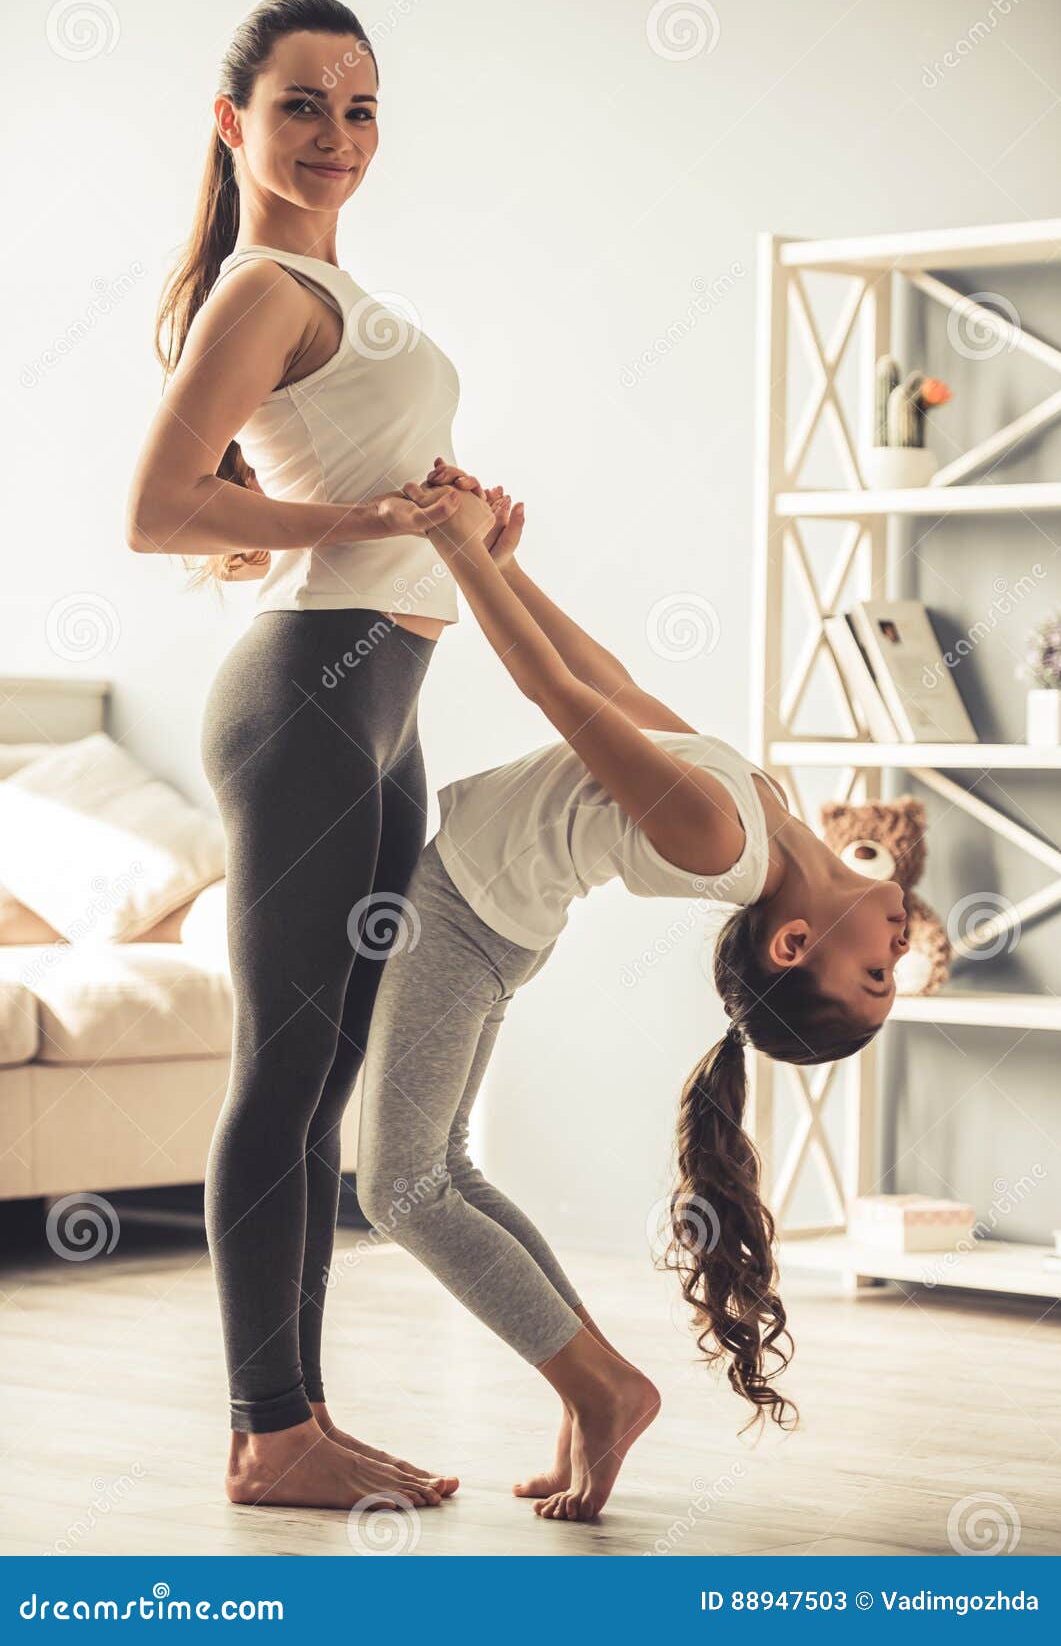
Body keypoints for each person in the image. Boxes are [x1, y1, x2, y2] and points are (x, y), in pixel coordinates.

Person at [355, 459, 911, 1523]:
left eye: (873, 976)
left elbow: (559, 701)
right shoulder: (765, 807)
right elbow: (604, 679)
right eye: (892, 974)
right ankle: (586, 1386)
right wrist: (508, 572)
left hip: (467, 914)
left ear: (794, 942)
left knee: (398, 1189)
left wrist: (463, 553)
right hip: (493, 920)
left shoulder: (724, 836)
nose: (897, 948)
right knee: (443, 1170)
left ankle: (603, 1387)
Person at [125, 0, 503, 1511]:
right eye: (302, 107)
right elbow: (158, 510)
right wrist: (369, 521)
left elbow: (364, 499)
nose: (337, 136)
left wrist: (454, 530)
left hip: (382, 701)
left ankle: (298, 1423)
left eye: (358, 109)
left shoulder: (339, 293)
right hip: (302, 699)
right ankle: (266, 1426)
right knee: (282, 1072)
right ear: (237, 123)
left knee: (329, 1072)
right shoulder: (259, 289)